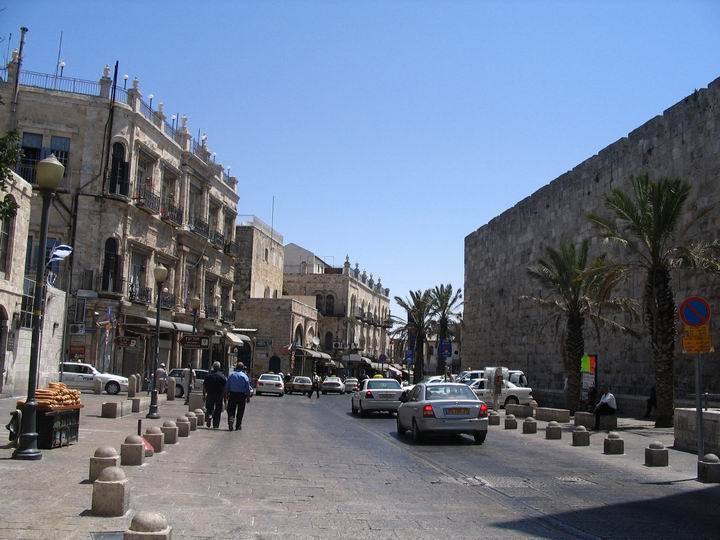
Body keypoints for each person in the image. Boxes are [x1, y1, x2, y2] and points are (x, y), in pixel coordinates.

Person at [225, 362, 251, 431]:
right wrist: (248, 397)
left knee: (231, 409)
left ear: (236, 367)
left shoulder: (231, 375)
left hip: (233, 394)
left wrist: (226, 394)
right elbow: (247, 389)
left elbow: (227, 386)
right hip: (242, 396)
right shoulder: (245, 376)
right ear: (242, 368)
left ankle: (231, 418)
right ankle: (238, 425)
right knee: (240, 411)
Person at [203, 362, 227, 429]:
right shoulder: (222, 377)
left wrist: (204, 395)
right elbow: (225, 389)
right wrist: (225, 399)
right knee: (218, 410)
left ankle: (210, 416)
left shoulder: (208, 376)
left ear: (213, 367)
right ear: (219, 367)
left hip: (210, 394)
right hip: (219, 395)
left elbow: (204, 387)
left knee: (209, 409)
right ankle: (216, 425)